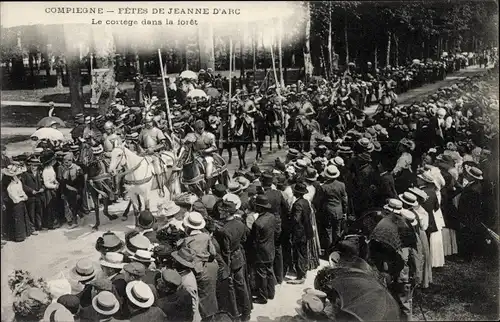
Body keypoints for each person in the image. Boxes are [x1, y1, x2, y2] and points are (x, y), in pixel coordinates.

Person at [215, 198, 252, 320]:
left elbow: (226, 252)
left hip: (231, 261)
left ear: (226, 213)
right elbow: (245, 238)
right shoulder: (239, 223)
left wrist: (226, 266)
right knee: (242, 285)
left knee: (232, 288)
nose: (220, 212)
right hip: (239, 256)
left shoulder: (224, 231)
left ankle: (236, 313)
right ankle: (246, 310)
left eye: (222, 211)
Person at [181, 211, 219, 320]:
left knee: (200, 296)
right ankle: (210, 315)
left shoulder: (186, 241)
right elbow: (213, 253)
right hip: (209, 267)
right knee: (209, 294)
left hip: (196, 269)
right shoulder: (206, 236)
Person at [261, 172, 288, 284]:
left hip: (266, 223)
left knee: (268, 250)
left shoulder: (262, 195)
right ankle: (279, 276)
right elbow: (286, 208)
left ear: (262, 183)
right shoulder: (278, 193)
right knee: (278, 249)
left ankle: (271, 279)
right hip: (277, 223)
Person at [251, 195, 278, 304]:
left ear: (260, 207)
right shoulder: (271, 217)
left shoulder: (258, 223)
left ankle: (262, 297)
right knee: (270, 271)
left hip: (261, 253)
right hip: (270, 249)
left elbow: (254, 240)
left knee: (261, 275)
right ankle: (271, 293)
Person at [288, 182, 313, 285]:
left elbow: (296, 219)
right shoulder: (306, 202)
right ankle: (303, 271)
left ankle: (300, 275)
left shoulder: (297, 204)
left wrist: (290, 221)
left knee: (298, 253)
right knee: (303, 252)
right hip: (306, 230)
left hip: (299, 232)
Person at [319, 165, 348, 253]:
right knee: (337, 230)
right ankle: (337, 249)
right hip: (338, 210)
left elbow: (321, 201)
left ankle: (329, 250)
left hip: (328, 210)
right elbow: (345, 200)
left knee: (328, 231)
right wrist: (345, 211)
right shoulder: (341, 185)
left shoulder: (323, 187)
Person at [138, 112, 168, 197]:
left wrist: (153, 149)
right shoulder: (143, 131)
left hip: (155, 153)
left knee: (157, 169)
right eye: (146, 122)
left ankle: (160, 188)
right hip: (145, 153)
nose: (148, 124)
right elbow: (139, 143)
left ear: (153, 122)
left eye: (149, 122)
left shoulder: (157, 131)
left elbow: (163, 143)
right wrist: (142, 150)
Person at [171, 247, 202, 322]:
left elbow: (192, 306)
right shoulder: (185, 272)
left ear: (182, 264)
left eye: (176, 260)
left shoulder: (187, 283)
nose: (173, 261)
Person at [2, 164, 31, 242]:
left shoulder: (19, 183)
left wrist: (24, 196)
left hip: (21, 204)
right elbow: (15, 198)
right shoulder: (10, 187)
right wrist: (22, 198)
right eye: (18, 176)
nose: (20, 177)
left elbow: (22, 192)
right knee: (17, 220)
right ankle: (18, 236)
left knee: (23, 219)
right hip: (16, 205)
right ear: (13, 177)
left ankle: (24, 234)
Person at [58, 152, 84, 228]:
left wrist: (79, 192)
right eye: (65, 162)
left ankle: (77, 219)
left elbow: (81, 182)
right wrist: (62, 193)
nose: (66, 163)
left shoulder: (77, 168)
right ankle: (77, 219)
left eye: (68, 161)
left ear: (71, 160)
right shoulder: (64, 169)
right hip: (67, 191)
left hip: (76, 190)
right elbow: (63, 182)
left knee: (76, 206)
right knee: (71, 206)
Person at [20, 156, 43, 234]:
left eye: (36, 166)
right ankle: (32, 228)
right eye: (33, 165)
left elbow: (42, 183)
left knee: (38, 211)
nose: (34, 167)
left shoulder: (39, 173)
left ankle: (39, 226)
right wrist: (31, 190)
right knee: (31, 212)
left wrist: (42, 188)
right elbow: (23, 185)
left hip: (38, 195)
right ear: (30, 165)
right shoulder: (25, 174)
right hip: (31, 196)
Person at [40, 150, 60, 230]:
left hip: (54, 187)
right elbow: (46, 183)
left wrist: (56, 181)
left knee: (54, 205)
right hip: (49, 191)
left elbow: (53, 178)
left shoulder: (51, 168)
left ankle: (55, 221)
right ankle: (50, 224)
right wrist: (54, 186)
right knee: (50, 207)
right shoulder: (45, 171)